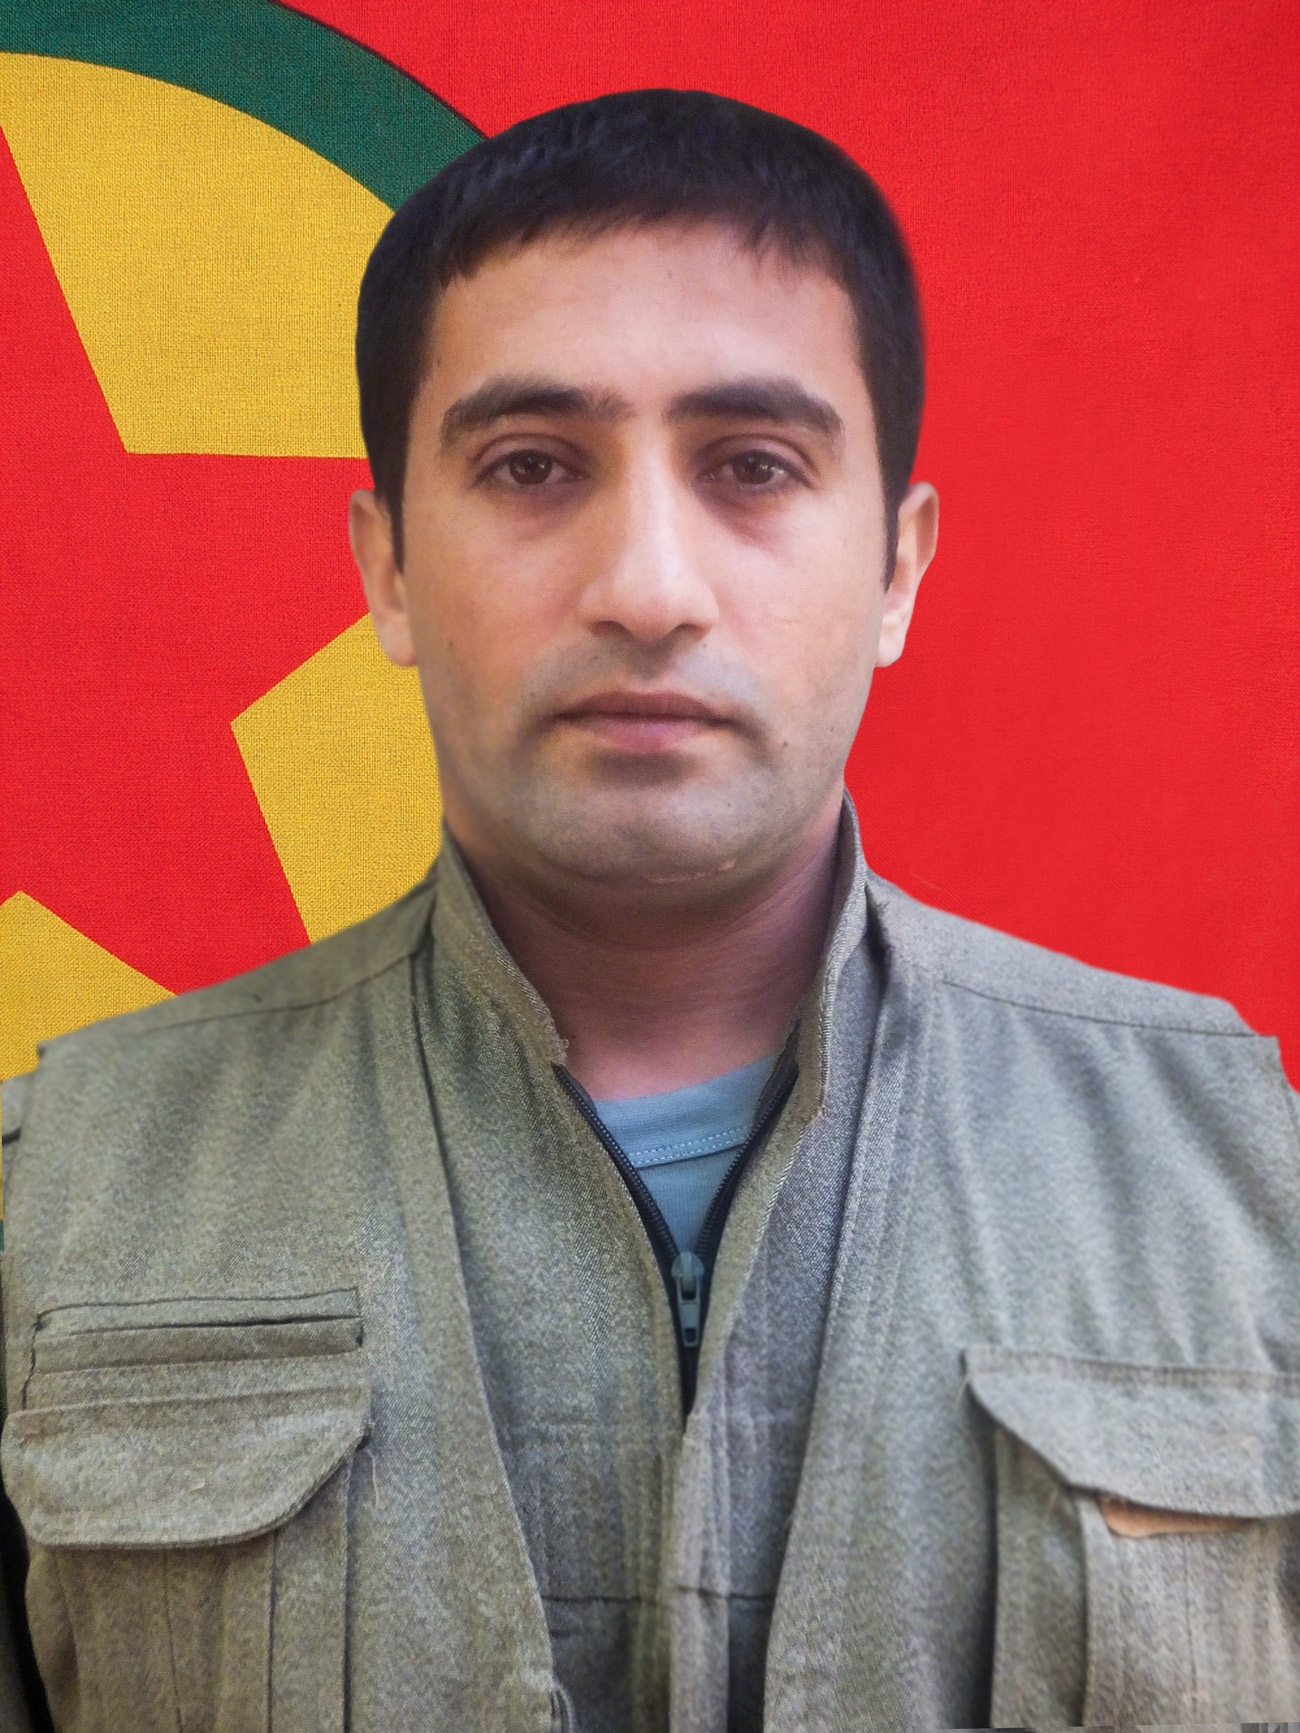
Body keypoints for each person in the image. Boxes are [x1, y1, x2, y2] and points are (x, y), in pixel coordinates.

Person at [1, 88, 1297, 1733]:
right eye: (531, 466)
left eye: (754, 465)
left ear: (898, 567)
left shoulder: (1247, 1182)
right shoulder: (59, 1203)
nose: (647, 587)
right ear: (387, 567)